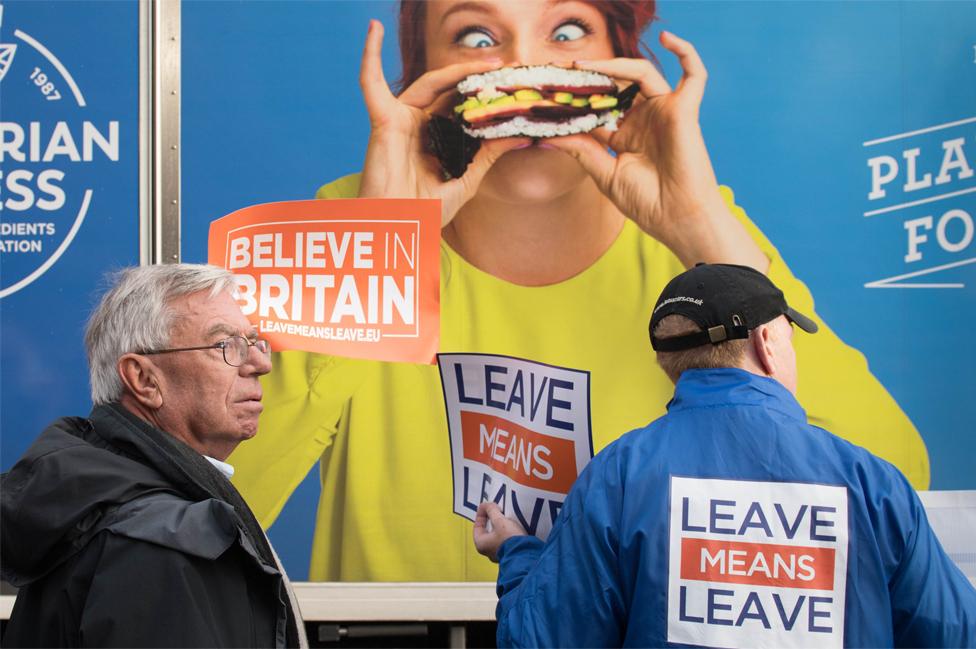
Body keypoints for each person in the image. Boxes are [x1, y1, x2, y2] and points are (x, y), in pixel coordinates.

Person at [227, 0, 929, 582]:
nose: (523, 68)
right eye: (477, 36)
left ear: (623, 57)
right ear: (425, 74)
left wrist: (703, 234)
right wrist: (378, 253)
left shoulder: (703, 241)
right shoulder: (354, 222)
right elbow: (203, 500)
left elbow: (895, 484)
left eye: (567, 32)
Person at [473, 263, 976, 648]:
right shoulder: (870, 484)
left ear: (669, 362)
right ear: (767, 342)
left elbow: (544, 639)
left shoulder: (619, 476)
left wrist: (517, 552)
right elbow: (954, 634)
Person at [0, 264, 307, 648]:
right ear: (144, 380)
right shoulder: (155, 542)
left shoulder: (119, 511)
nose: (260, 364)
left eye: (254, 341)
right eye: (224, 345)